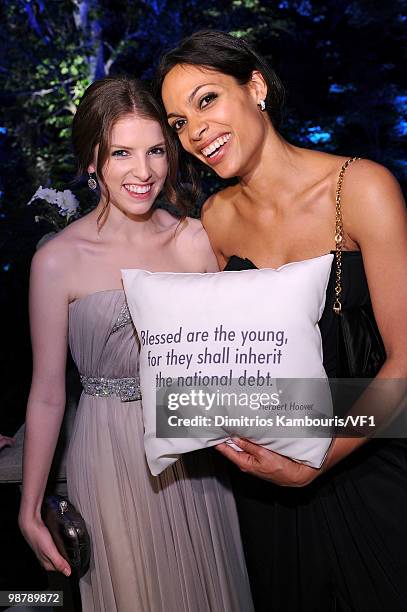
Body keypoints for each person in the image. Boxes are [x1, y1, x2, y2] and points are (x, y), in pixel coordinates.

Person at [157, 30, 407, 612]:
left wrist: (317, 458)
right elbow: (223, 364)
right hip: (267, 489)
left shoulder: (361, 188)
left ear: (256, 87)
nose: (194, 132)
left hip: (375, 466)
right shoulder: (214, 220)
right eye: (176, 123)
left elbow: (404, 363)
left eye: (206, 100)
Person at [18, 76, 254, 612]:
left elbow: (229, 362)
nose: (143, 171)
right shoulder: (57, 259)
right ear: (93, 161)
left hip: (195, 456)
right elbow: (49, 394)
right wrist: (29, 508)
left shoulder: (195, 240)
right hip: (107, 456)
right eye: (122, 152)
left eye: (155, 151)